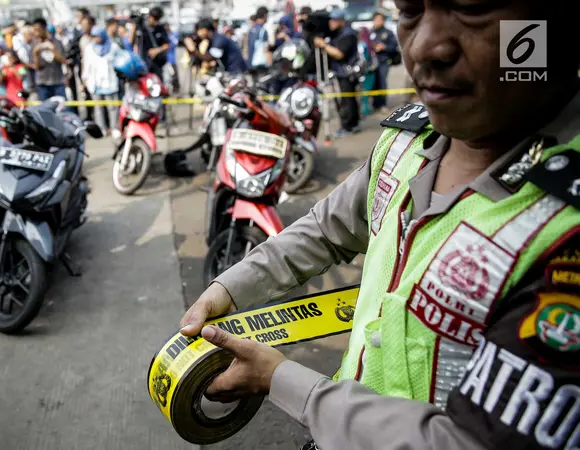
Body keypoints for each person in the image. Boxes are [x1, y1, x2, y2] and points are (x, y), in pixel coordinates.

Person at [178, 1, 580, 449]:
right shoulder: (406, 141)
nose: (425, 47)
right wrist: (229, 289)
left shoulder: (566, 223)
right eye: (409, 11)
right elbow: (325, 230)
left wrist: (281, 381)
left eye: (470, 8)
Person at [313, 8, 359, 136]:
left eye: (333, 20)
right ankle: (351, 124)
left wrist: (323, 45)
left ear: (341, 21)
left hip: (346, 73)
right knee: (346, 100)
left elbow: (339, 54)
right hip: (341, 72)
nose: (330, 23)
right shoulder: (337, 33)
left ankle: (348, 126)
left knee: (346, 101)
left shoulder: (348, 34)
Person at [81, 26, 120, 137]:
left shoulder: (113, 47)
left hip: (110, 82)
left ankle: (114, 128)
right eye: (94, 36)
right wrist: (84, 80)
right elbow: (86, 64)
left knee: (112, 107)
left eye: (97, 36)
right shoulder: (89, 48)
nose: (96, 39)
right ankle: (101, 128)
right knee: (98, 108)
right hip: (95, 83)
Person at [369, 11, 398, 114]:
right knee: (373, 83)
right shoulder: (370, 32)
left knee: (382, 83)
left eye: (380, 19)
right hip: (372, 62)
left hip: (383, 62)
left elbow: (394, 47)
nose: (377, 21)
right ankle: (375, 104)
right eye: (376, 19)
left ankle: (383, 104)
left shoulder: (388, 33)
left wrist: (384, 47)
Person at [130, 7, 170, 78]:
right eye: (154, 18)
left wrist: (157, 50)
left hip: (157, 63)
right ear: (149, 16)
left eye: (157, 19)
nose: (155, 21)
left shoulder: (160, 29)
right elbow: (131, 41)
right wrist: (134, 23)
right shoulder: (142, 28)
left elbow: (167, 45)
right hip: (144, 62)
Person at [32, 20, 67, 101]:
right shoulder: (34, 44)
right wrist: (35, 53)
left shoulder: (56, 42)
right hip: (42, 82)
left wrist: (53, 49)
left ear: (44, 29)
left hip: (57, 81)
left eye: (38, 30)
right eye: (34, 30)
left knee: (62, 107)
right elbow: (36, 66)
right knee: (44, 108)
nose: (36, 33)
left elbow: (62, 60)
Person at [358, 28, 378, 116]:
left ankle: (365, 109)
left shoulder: (361, 45)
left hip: (364, 71)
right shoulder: (369, 44)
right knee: (366, 91)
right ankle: (366, 109)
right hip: (370, 71)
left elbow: (362, 59)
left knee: (364, 91)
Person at [246, 7, 272, 75]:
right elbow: (266, 50)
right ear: (265, 15)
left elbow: (246, 48)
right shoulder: (263, 31)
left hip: (250, 65)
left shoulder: (251, 29)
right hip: (260, 66)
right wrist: (270, 65)